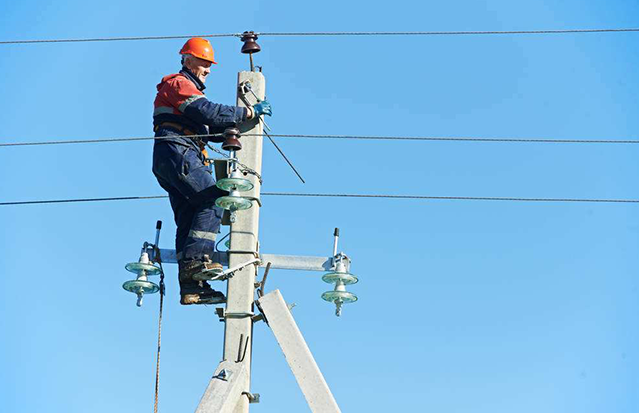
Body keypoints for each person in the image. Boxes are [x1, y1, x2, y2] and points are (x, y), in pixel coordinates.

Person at [151, 37, 272, 305]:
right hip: (178, 150)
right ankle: (196, 263)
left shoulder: (186, 93)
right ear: (187, 59)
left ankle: (192, 287)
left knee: (190, 216)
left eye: (209, 65)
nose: (208, 69)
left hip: (174, 155)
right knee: (214, 198)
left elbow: (210, 127)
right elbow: (208, 112)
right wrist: (249, 112)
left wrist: (234, 125)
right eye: (204, 63)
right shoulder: (178, 84)